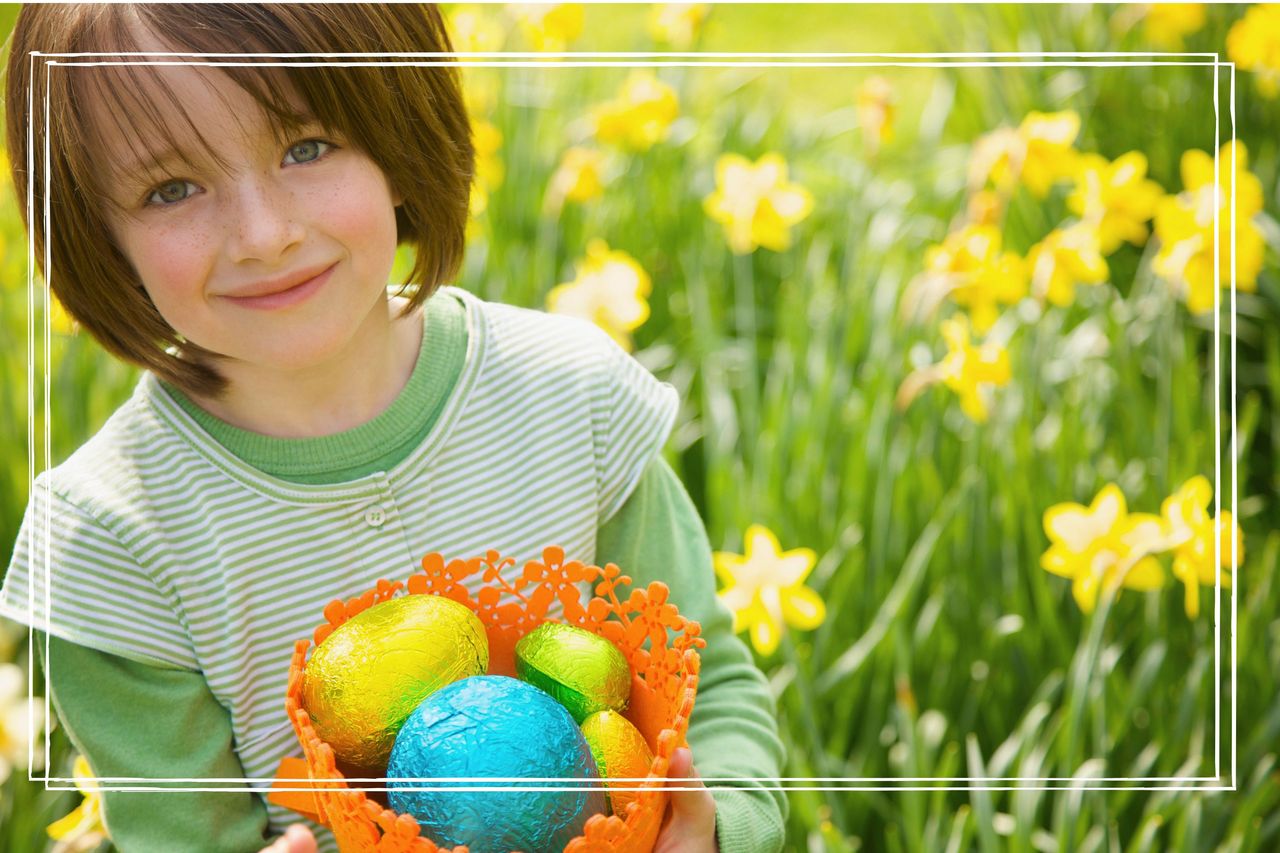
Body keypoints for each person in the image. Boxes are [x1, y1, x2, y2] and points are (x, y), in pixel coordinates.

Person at [0, 5, 787, 853]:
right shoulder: (111, 539)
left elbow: (707, 698)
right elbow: (184, 835)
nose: (265, 235)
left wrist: (715, 834)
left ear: (399, 137)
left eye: (306, 147)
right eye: (172, 190)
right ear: (99, 235)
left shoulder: (568, 399)